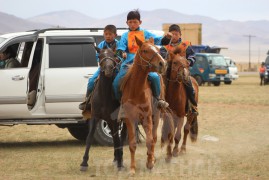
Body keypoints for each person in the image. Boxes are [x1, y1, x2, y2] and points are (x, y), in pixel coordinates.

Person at [113, 9, 172, 109]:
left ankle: (158, 100)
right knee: (116, 83)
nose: (132, 24)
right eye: (130, 22)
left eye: (135, 22)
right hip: (128, 64)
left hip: (145, 64)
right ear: (126, 23)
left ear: (140, 22)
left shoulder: (145, 33)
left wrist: (166, 37)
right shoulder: (125, 36)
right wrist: (122, 53)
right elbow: (120, 48)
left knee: (155, 77)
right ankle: (120, 104)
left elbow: (159, 40)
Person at [160, 24, 198, 116]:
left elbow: (192, 56)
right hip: (168, 71)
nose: (174, 36)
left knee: (188, 81)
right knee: (159, 83)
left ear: (180, 35)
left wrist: (189, 61)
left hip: (182, 69)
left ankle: (192, 106)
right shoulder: (165, 47)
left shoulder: (185, 45)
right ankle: (159, 104)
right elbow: (161, 57)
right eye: (172, 34)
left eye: (176, 34)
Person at [79, 24, 119, 110]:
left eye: (110, 34)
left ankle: (121, 102)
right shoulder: (101, 44)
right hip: (103, 68)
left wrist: (117, 60)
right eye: (106, 34)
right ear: (103, 34)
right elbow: (98, 57)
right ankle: (88, 102)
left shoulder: (118, 45)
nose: (108, 36)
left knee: (120, 83)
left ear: (115, 35)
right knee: (91, 81)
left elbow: (120, 57)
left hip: (116, 69)